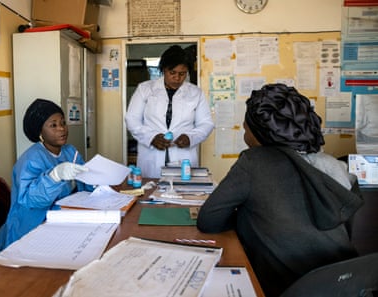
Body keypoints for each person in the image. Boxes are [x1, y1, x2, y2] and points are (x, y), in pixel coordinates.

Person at [196, 84, 364, 297]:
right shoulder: (333, 165)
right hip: (346, 284)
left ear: (259, 133)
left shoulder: (255, 161)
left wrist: (245, 214)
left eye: (246, 126)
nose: (243, 130)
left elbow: (208, 220)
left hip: (289, 287)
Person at [0, 99, 93, 254]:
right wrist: (54, 176)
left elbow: (85, 183)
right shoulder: (31, 160)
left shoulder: (70, 152)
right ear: (40, 132)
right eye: (53, 125)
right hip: (32, 226)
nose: (62, 129)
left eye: (63, 123)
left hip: (62, 219)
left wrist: (99, 180)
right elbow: (32, 200)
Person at [125, 45, 214, 178]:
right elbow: (132, 119)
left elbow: (206, 123)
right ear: (163, 70)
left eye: (182, 73)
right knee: (150, 191)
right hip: (151, 154)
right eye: (172, 73)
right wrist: (151, 137)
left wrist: (190, 137)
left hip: (183, 155)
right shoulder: (145, 89)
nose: (177, 78)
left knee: (182, 194)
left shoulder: (196, 93)